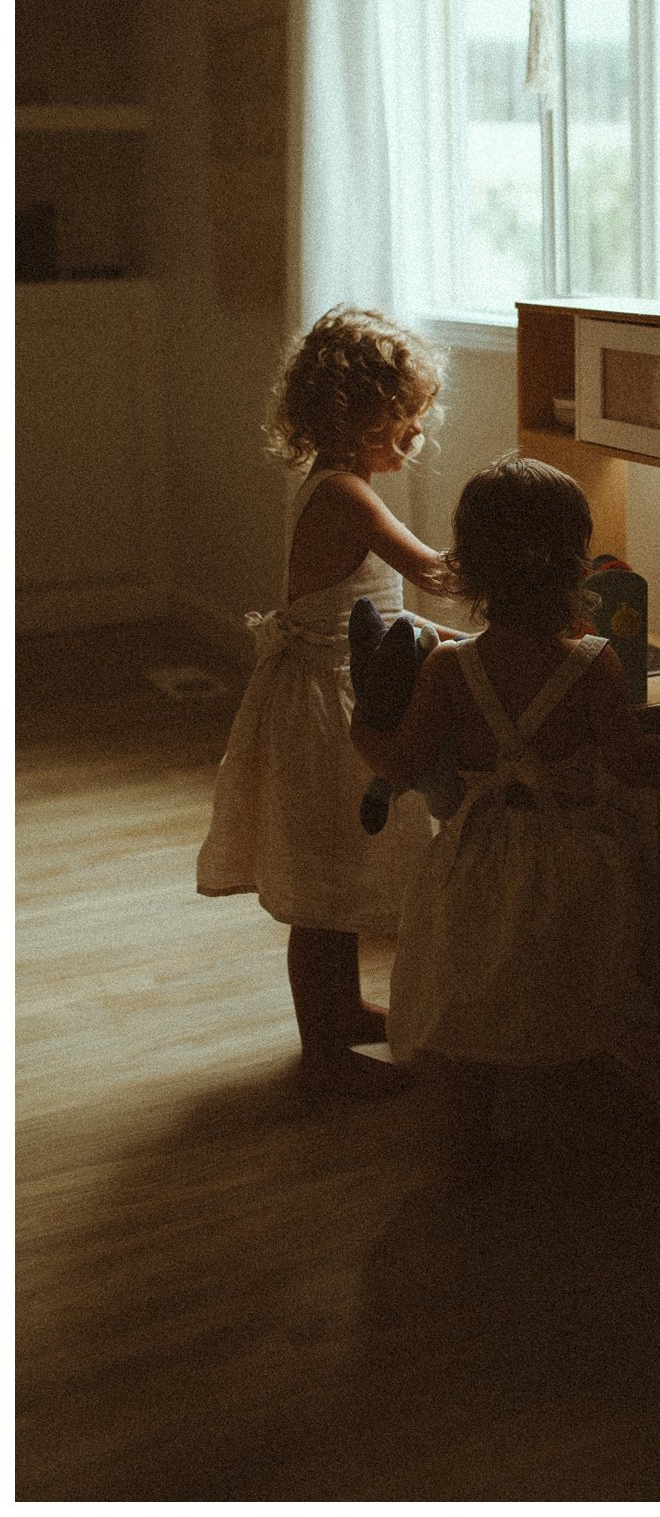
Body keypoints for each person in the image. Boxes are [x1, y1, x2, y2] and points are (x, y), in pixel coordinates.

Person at [350, 452, 660, 1167]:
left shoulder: (451, 668)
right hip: (577, 861)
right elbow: (627, 762)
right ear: (575, 561)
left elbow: (397, 765)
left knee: (468, 999)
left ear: (472, 566)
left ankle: (466, 1149)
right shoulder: (594, 663)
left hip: (480, 860)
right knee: (605, 989)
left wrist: (358, 728)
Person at [196, 306, 462, 1098]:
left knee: (340, 870)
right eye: (404, 420)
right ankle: (323, 1055)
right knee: (322, 886)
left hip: (327, 687)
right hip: (324, 706)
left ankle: (342, 1012)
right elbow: (435, 573)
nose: (415, 435)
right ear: (360, 417)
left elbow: (373, 603)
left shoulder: (332, 478)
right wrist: (512, 543)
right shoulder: (347, 494)